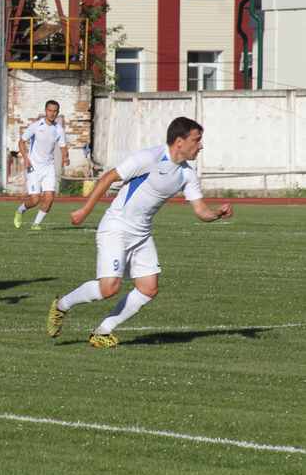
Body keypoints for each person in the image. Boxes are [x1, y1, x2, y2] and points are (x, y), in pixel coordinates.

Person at [46, 117, 233, 348]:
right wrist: (85, 210)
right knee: (109, 288)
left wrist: (217, 214)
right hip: (116, 227)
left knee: (148, 289)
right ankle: (62, 305)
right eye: (197, 140)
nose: (201, 145)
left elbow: (200, 210)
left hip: (142, 234)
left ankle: (102, 332)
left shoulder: (187, 174)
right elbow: (108, 177)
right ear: (179, 141)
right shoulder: (149, 158)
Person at [14, 100, 68, 230]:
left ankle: (36, 224)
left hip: (49, 167)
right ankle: (20, 211)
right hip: (33, 167)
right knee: (35, 199)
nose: (52, 113)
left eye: (55, 111)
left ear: (57, 112)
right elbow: (21, 142)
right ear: (46, 111)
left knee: (49, 198)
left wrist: (65, 158)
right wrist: (26, 158)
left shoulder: (59, 129)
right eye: (50, 110)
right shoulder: (36, 126)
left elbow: (63, 146)